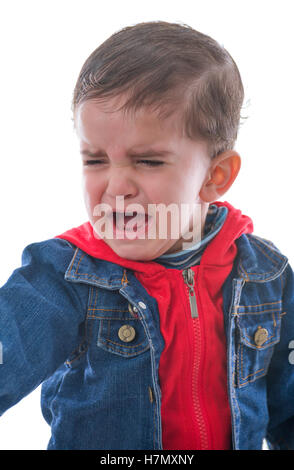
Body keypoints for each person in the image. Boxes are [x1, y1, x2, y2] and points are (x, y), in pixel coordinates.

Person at [0, 20, 293, 451]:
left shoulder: (264, 274)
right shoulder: (65, 275)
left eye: (148, 161)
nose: (116, 186)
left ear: (215, 175)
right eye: (96, 160)